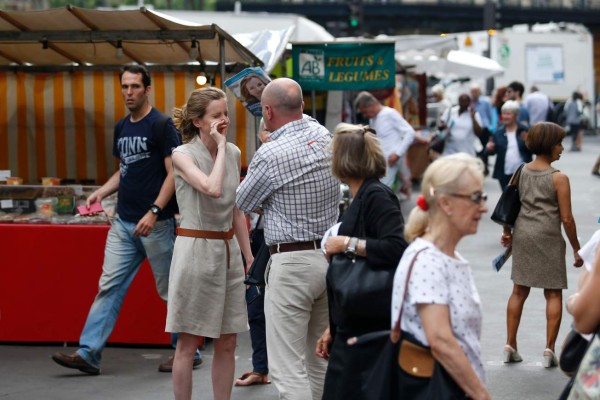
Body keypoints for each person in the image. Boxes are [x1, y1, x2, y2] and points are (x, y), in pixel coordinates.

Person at [50, 65, 200, 375]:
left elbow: (175, 172)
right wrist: (101, 192)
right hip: (123, 223)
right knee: (109, 286)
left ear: (147, 89)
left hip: (156, 225)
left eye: (134, 86)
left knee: (171, 290)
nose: (128, 92)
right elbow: (126, 169)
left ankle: (188, 350)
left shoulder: (160, 126)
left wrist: (155, 211)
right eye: (124, 87)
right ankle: (88, 352)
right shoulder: (121, 127)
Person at [236, 78, 340, 400]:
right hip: (327, 258)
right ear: (303, 107)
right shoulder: (324, 136)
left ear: (266, 111)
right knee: (317, 359)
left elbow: (242, 201)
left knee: (286, 366)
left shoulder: (271, 154)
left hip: (291, 262)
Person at [166, 87, 253, 400]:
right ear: (198, 121)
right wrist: (220, 145)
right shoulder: (182, 155)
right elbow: (212, 188)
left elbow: (236, 208)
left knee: (228, 340)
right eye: (216, 116)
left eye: (226, 114)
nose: (224, 120)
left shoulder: (233, 152)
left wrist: (249, 255)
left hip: (227, 251)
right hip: (195, 250)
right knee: (188, 343)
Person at [314, 123, 408, 400]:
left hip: (370, 328)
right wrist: (333, 326)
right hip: (356, 322)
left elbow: (397, 246)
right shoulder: (364, 195)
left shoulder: (376, 196)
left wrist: (346, 244)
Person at [391, 153, 491, 400]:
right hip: (440, 388)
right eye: (476, 198)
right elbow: (441, 341)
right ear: (445, 203)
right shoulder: (428, 261)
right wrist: (481, 395)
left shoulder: (447, 256)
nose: (484, 207)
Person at [500, 122, 583, 368]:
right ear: (549, 145)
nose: (562, 149)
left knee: (518, 291)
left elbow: (509, 205)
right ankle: (549, 350)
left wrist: (507, 232)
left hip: (524, 235)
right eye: (559, 143)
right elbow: (566, 219)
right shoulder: (559, 179)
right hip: (548, 236)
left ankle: (510, 345)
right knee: (553, 293)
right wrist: (577, 248)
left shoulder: (521, 171)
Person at [235, 120, 271, 388]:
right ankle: (261, 367)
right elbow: (242, 201)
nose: (270, 136)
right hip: (259, 239)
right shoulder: (260, 160)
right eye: (266, 131)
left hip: (283, 242)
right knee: (256, 304)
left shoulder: (285, 156)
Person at [354, 91, 415, 192]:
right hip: (380, 161)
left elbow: (410, 133)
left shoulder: (390, 114)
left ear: (372, 105)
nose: (365, 115)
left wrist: (398, 154)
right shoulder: (373, 119)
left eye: (365, 111)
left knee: (383, 189)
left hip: (390, 160)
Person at [485, 100, 532, 190]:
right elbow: (491, 152)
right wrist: (489, 148)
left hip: (523, 173)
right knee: (507, 200)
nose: (505, 117)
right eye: (504, 114)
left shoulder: (525, 130)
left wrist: (528, 142)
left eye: (508, 114)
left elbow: (534, 151)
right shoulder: (498, 133)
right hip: (504, 173)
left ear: (516, 115)